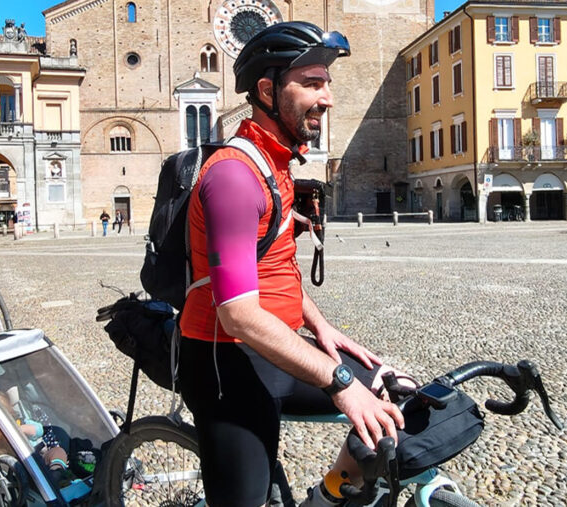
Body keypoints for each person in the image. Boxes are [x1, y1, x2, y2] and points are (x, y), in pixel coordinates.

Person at [177, 21, 405, 507]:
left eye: (328, 83)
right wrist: (339, 380)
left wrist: (322, 328)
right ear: (267, 89)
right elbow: (237, 312)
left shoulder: (275, 163)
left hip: (275, 346)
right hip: (227, 361)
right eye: (312, 83)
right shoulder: (236, 178)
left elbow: (272, 265)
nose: (327, 99)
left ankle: (326, 497)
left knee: (396, 395)